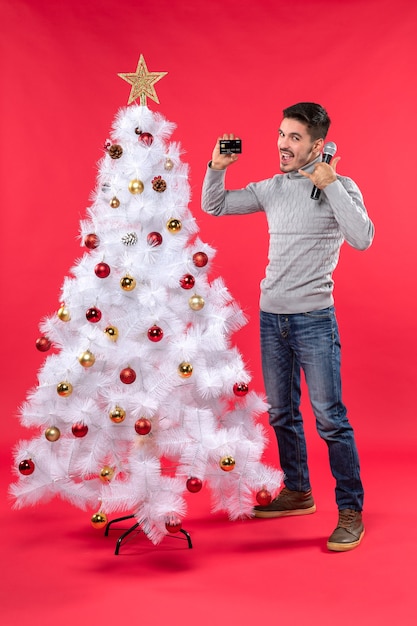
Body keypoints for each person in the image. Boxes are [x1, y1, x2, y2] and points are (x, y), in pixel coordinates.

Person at [201, 102, 374, 552]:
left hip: (315, 319)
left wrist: (331, 183)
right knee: (281, 413)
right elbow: (214, 205)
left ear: (318, 145)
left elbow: (363, 237)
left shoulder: (340, 186)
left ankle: (351, 511)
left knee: (330, 419)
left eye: (294, 138)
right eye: (282, 134)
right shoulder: (273, 188)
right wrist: (216, 167)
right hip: (271, 317)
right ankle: (298, 492)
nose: (283, 144)